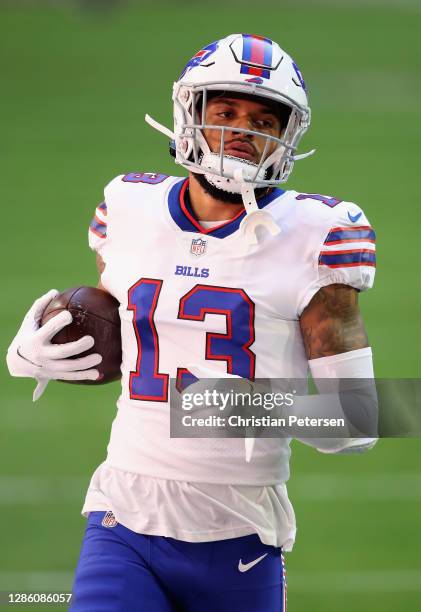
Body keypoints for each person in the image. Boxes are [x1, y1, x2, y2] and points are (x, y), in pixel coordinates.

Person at [6, 33, 377, 611]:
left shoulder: (318, 235)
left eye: (263, 119)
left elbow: (359, 420)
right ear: (190, 114)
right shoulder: (129, 209)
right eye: (224, 112)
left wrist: (249, 405)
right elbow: (121, 332)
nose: (242, 131)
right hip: (123, 516)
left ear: (287, 135)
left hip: (240, 536)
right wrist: (41, 349)